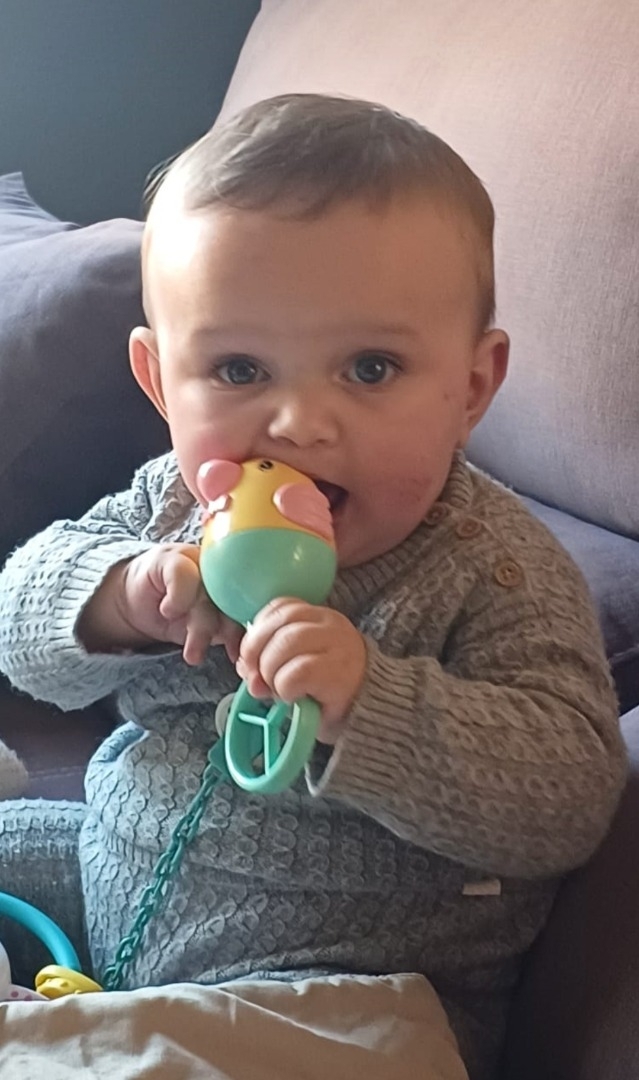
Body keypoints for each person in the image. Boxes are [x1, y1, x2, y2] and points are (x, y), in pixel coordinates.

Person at [0, 94, 625, 1079]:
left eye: (369, 368)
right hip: (118, 881)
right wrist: (122, 597)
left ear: (470, 388)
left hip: (339, 1004)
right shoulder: (169, 506)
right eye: (239, 368)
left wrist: (368, 702)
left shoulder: (492, 565)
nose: (297, 423)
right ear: (159, 381)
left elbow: (568, 797)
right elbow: (20, 621)